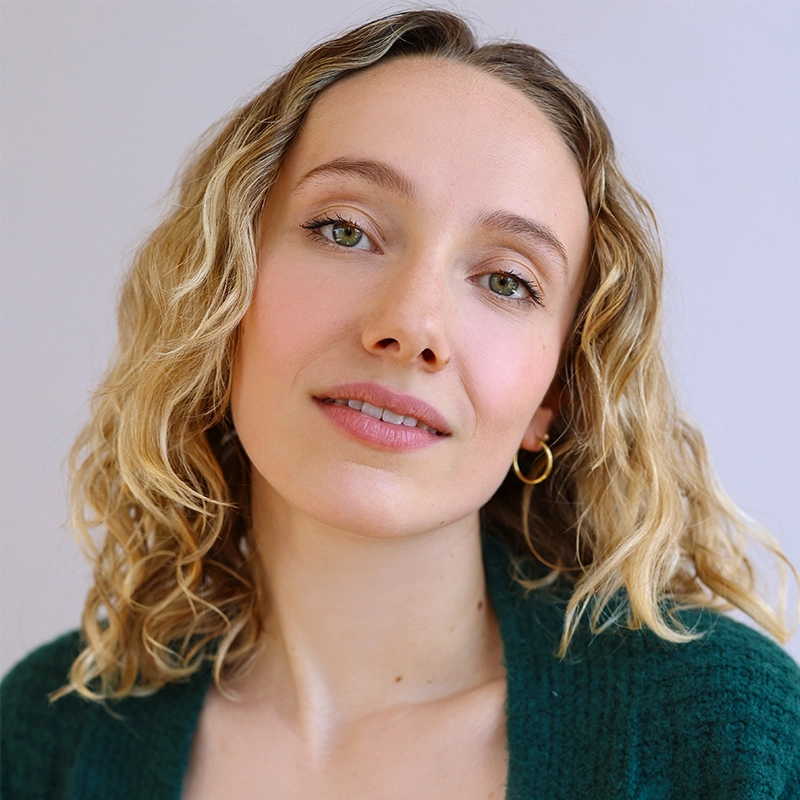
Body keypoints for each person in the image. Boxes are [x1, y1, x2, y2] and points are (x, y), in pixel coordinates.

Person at [2, 8, 799, 799]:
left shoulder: (729, 737)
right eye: (345, 230)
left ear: (553, 396)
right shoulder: (45, 737)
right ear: (221, 290)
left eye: (507, 281)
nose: (412, 326)